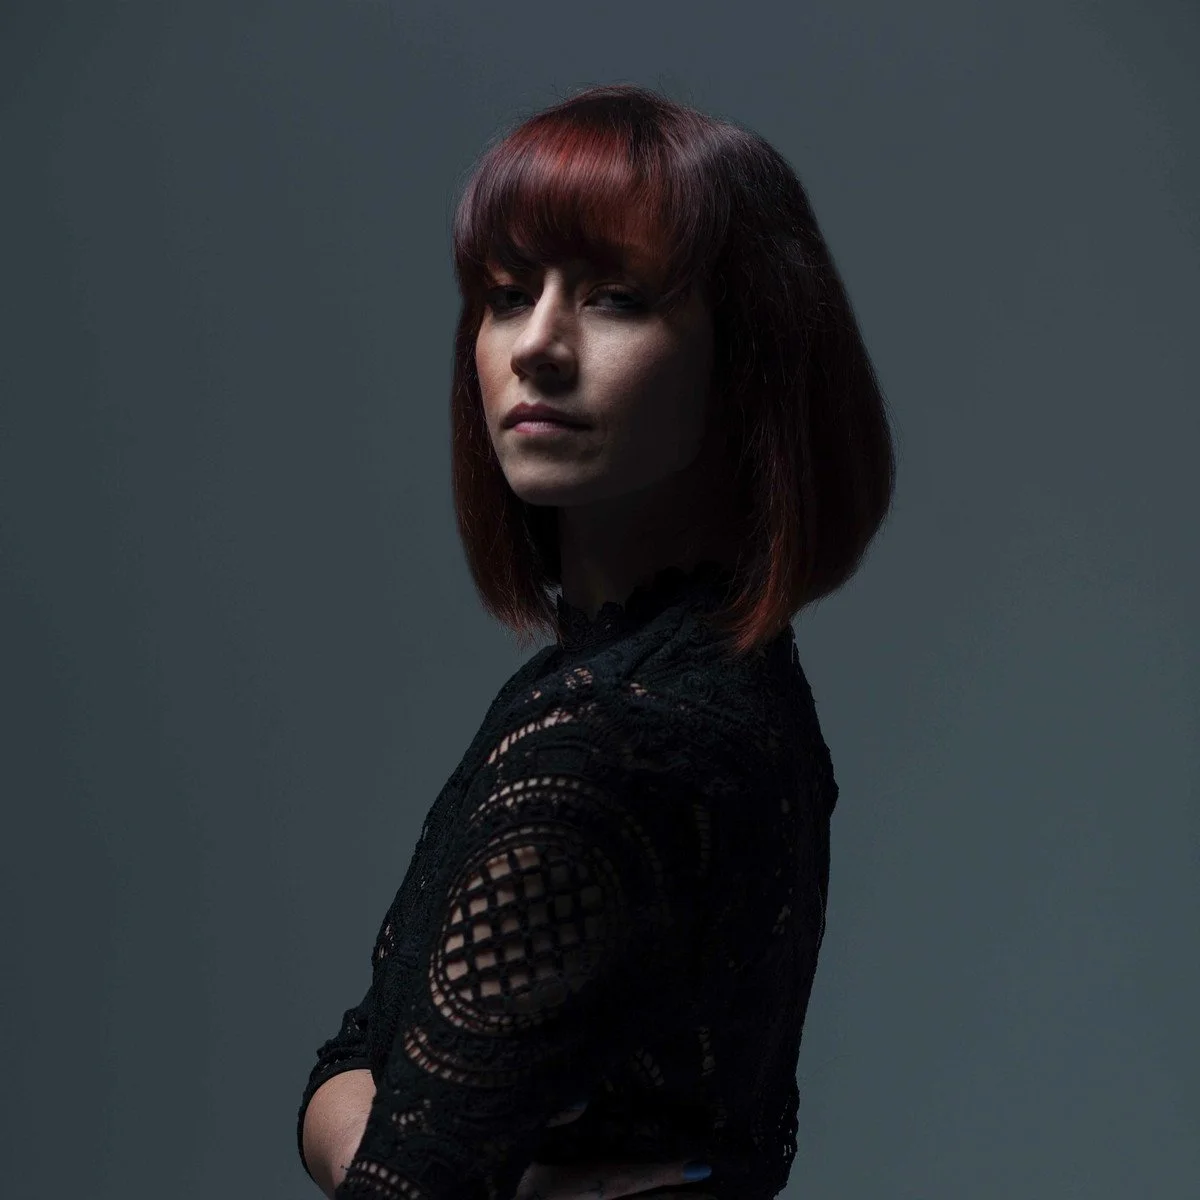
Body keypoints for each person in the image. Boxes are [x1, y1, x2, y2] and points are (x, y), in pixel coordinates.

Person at [297, 82, 895, 1200]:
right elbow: (357, 1056)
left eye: (616, 298)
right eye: (508, 295)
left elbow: (388, 1152)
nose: (537, 346)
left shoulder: (614, 738)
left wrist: (380, 1131)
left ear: (747, 357)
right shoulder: (703, 676)